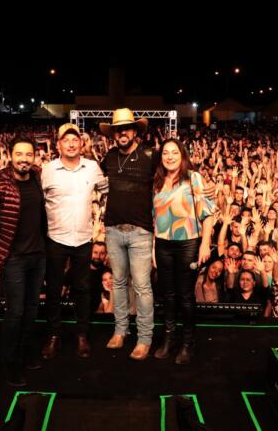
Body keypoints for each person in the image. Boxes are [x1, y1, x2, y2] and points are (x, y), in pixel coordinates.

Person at [0, 136, 47, 385]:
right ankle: (11, 363)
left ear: (34, 157)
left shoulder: (38, 178)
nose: (24, 159)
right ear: (10, 155)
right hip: (13, 259)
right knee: (15, 312)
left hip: (38, 255)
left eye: (28, 155)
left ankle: (27, 351)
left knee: (31, 310)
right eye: (19, 154)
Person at [40, 123, 108, 360]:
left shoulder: (92, 168)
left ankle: (82, 335)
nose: (70, 144)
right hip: (55, 238)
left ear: (81, 144)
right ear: (58, 144)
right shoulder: (48, 170)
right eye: (65, 140)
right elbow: (37, 201)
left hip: (83, 239)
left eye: (75, 140)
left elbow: (109, 189)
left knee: (82, 289)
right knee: (54, 290)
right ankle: (53, 335)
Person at [98, 109, 156, 360]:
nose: (122, 132)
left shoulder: (149, 155)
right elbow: (100, 181)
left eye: (127, 128)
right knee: (119, 284)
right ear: (113, 134)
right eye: (117, 129)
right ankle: (120, 331)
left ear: (135, 132)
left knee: (142, 287)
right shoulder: (109, 157)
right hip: (113, 230)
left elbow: (177, 172)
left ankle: (144, 339)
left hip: (141, 231)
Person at [152, 139, 215, 364]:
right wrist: (153, 248)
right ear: (161, 158)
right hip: (162, 244)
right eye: (166, 153)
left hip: (188, 243)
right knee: (167, 296)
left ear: (182, 155)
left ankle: (188, 343)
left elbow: (208, 214)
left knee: (186, 297)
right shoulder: (157, 182)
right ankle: (169, 339)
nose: (170, 157)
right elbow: (154, 219)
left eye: (174, 153)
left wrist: (205, 244)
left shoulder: (194, 179)